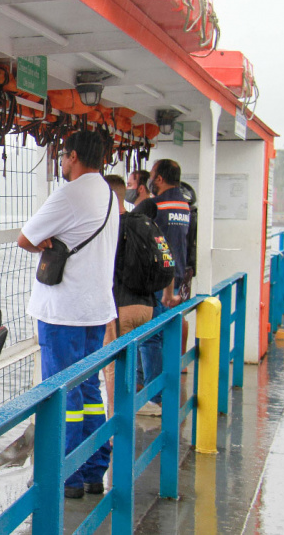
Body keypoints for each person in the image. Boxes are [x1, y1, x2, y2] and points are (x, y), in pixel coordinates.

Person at [17, 130, 118, 499]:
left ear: (73, 156)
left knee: (62, 393)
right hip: (95, 309)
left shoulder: (69, 194)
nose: (61, 163)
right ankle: (93, 470)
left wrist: (45, 239)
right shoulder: (108, 194)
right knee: (89, 388)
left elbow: (26, 238)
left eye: (63, 156)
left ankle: (65, 475)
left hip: (63, 312)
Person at [137, 158, 190, 415]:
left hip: (158, 280)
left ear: (157, 179)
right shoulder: (183, 205)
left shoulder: (154, 205)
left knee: (149, 338)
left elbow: (133, 229)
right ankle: (149, 387)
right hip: (177, 278)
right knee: (163, 334)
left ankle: (153, 399)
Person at [102, 174, 156, 416]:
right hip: (146, 307)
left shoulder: (109, 226)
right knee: (131, 363)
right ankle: (134, 409)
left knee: (113, 368)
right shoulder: (144, 221)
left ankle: (115, 430)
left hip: (120, 308)